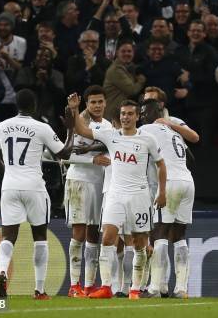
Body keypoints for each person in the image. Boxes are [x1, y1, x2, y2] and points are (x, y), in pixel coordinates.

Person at [67, 94, 167, 300]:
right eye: (123, 114)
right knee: (107, 238)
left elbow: (161, 165)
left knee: (139, 243)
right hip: (115, 195)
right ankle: (105, 287)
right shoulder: (110, 135)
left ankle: (135, 289)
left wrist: (162, 191)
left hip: (139, 196)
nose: (126, 118)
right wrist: (75, 110)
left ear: (137, 116)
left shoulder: (147, 139)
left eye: (130, 114)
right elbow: (82, 130)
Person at [0, 88, 75, 299]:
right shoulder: (41, 128)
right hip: (34, 186)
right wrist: (71, 130)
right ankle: (39, 289)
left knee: (8, 236)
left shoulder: (2, 126)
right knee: (40, 237)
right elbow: (64, 153)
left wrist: (10, 172)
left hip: (9, 186)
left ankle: (2, 272)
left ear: (16, 105)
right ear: (34, 106)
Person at [139, 99, 194, 299]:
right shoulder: (173, 130)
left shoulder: (146, 129)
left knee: (160, 233)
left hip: (169, 183)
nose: (142, 115)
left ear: (154, 113)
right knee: (179, 236)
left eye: (145, 112)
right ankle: (181, 289)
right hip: (187, 182)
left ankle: (155, 287)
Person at [65, 85, 112, 297]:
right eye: (93, 102)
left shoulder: (109, 126)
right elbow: (65, 154)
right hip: (79, 181)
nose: (97, 105)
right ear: (87, 104)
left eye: (100, 101)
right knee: (79, 232)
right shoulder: (78, 122)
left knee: (94, 233)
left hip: (100, 184)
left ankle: (89, 285)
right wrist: (92, 159)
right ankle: (74, 285)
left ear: (105, 102)